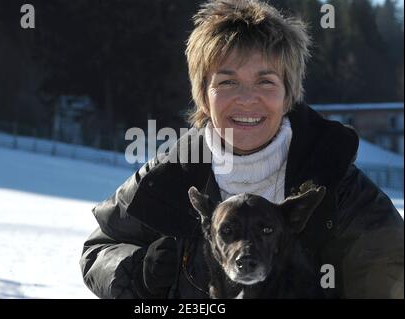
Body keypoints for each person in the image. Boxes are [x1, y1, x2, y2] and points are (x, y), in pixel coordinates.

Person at [80, 0, 404, 299]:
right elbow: (100, 248)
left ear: (288, 94)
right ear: (203, 96)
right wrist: (136, 272)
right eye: (227, 82)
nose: (247, 99)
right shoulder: (167, 178)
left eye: (265, 82)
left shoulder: (337, 185)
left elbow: (393, 269)